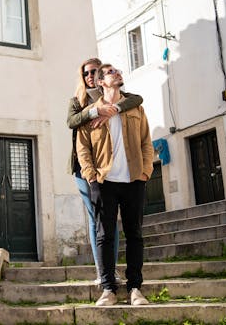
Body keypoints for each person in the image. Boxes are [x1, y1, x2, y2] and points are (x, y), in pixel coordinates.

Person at [76, 64, 154, 306]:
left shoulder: (135, 108)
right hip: (104, 181)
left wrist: (145, 171)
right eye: (110, 72)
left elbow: (146, 142)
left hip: (133, 179)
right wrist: (90, 176)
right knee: (104, 235)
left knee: (135, 235)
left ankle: (135, 289)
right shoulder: (90, 113)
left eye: (117, 70)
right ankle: (108, 289)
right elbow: (83, 148)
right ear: (100, 82)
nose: (117, 72)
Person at [67, 58, 143, 284]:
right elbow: (71, 121)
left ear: (100, 76)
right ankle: (103, 271)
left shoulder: (122, 97)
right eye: (86, 73)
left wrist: (113, 109)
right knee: (97, 219)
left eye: (94, 71)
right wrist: (95, 111)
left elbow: (138, 99)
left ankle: (112, 270)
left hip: (114, 169)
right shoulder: (78, 100)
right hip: (84, 167)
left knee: (110, 222)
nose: (90, 75)